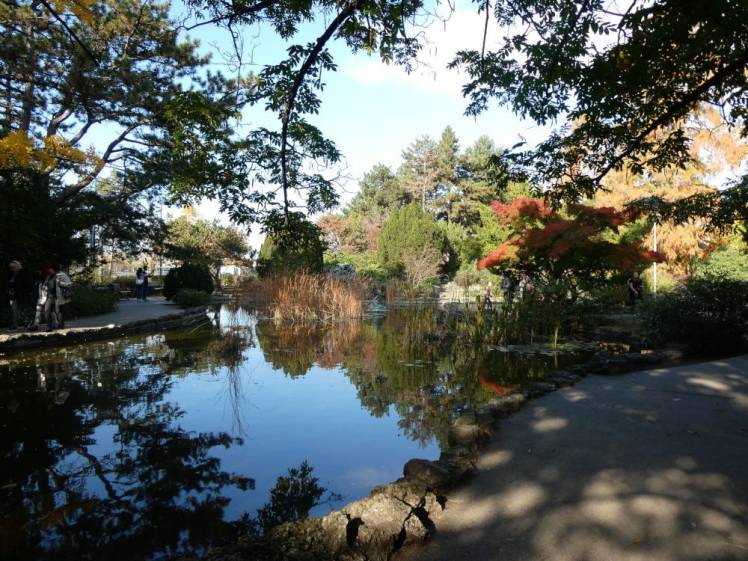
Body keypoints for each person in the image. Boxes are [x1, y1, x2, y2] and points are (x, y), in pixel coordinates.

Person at [7, 260, 33, 329]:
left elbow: (27, 284)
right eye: (11, 268)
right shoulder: (12, 274)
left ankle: (25, 321)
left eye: (12, 267)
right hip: (12, 295)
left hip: (21, 294)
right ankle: (16, 323)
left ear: (16, 267)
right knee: (14, 310)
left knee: (19, 310)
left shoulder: (24, 273)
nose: (11, 269)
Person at [30, 267, 57, 331]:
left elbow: (51, 288)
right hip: (41, 297)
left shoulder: (49, 278)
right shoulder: (40, 281)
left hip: (48, 297)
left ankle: (55, 323)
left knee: (50, 311)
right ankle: (36, 325)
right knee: (38, 310)